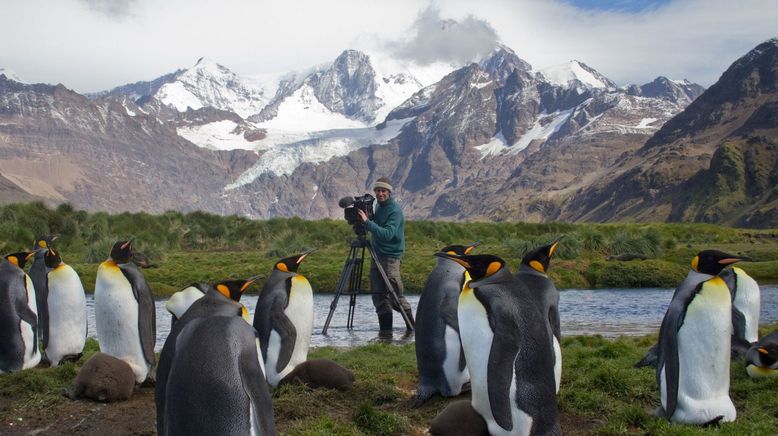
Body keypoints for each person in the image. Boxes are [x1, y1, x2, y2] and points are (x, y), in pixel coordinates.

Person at [358, 177, 415, 335]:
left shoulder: (395, 210)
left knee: (395, 296)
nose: (380, 194)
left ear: (389, 192)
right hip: (377, 255)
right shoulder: (379, 205)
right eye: (378, 190)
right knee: (379, 297)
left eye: (383, 191)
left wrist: (368, 223)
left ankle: (414, 330)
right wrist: (369, 219)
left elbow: (388, 234)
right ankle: (385, 334)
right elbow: (378, 225)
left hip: (390, 257)